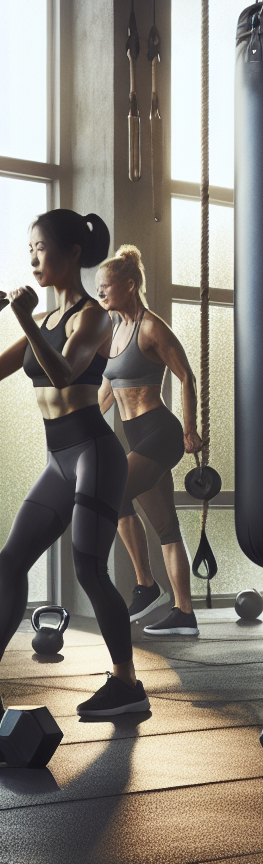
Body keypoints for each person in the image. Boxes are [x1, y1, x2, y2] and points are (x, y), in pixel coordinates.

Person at [0, 209, 149, 716]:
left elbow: (64, 372)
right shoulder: (42, 320)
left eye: (41, 247)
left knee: (88, 567)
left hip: (94, 453)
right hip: (58, 460)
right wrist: (22, 320)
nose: (34, 258)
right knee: (9, 562)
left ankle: (128, 686)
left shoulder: (93, 316)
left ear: (73, 254)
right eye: (30, 250)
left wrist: (22, 318)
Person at [96, 245, 202, 637]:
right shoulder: (114, 329)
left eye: (106, 287)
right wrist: (82, 424)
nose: (101, 294)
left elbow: (186, 376)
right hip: (137, 435)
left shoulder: (151, 327)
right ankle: (185, 613)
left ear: (129, 284)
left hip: (160, 432)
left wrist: (190, 429)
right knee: (167, 528)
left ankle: (146, 585)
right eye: (98, 288)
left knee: (114, 493)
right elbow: (108, 390)